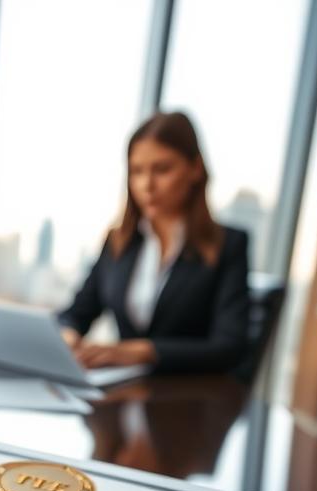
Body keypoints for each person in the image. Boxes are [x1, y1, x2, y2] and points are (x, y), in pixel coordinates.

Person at [58, 112, 250, 373]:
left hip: (190, 397)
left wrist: (140, 352)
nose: (146, 185)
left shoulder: (229, 244)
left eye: (162, 169)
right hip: (122, 391)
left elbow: (229, 347)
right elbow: (76, 313)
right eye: (137, 171)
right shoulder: (119, 241)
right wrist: (68, 336)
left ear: (194, 169)